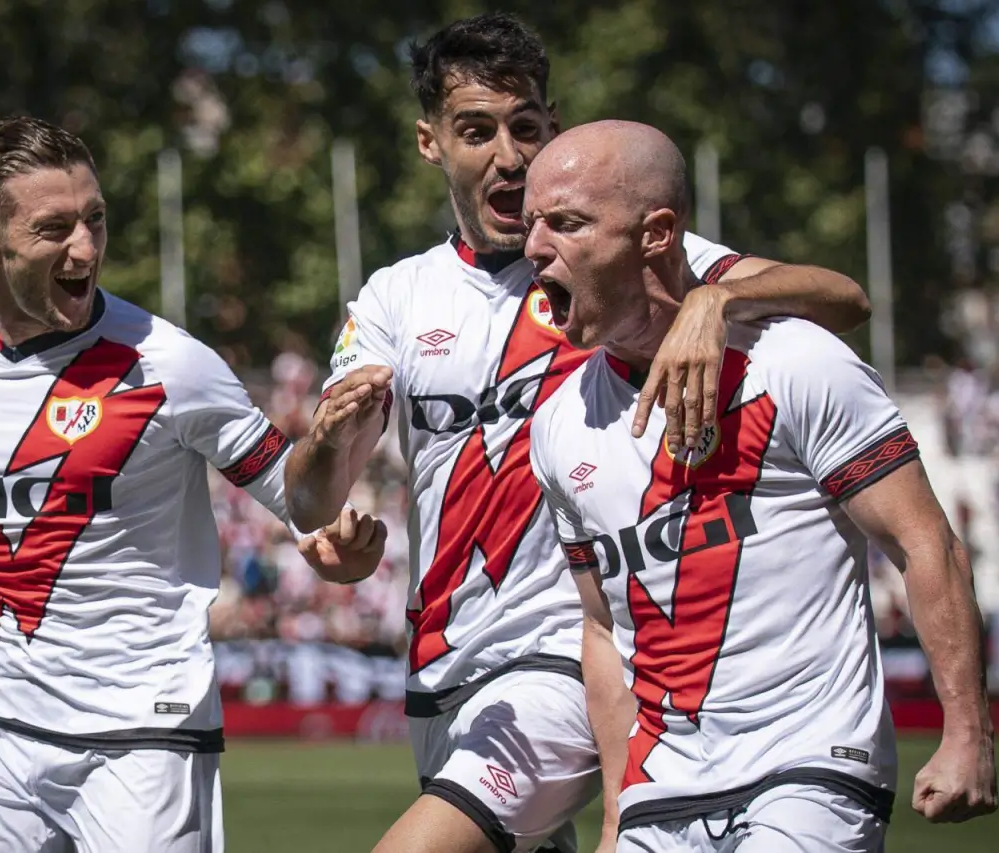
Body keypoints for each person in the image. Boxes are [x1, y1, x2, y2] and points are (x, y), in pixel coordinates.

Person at [284, 13, 873, 853]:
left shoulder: (616, 254)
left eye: (526, 126)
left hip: (564, 654)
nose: (508, 154)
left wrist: (717, 298)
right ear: (429, 143)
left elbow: (844, 297)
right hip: (444, 665)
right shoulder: (395, 297)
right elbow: (313, 495)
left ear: (552, 127)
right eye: (476, 130)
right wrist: (328, 495)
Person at [0, 115, 387, 853]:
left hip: (141, 731)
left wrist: (323, 452)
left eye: (95, 219)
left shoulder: (172, 363)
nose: (86, 248)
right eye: (54, 228)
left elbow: (301, 500)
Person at [524, 119, 998, 853]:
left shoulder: (796, 360)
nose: (533, 248)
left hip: (808, 769)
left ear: (656, 233)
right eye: (531, 225)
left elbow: (923, 539)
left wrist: (967, 733)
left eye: (567, 223)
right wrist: (618, 811)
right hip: (663, 790)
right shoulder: (558, 424)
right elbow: (604, 629)